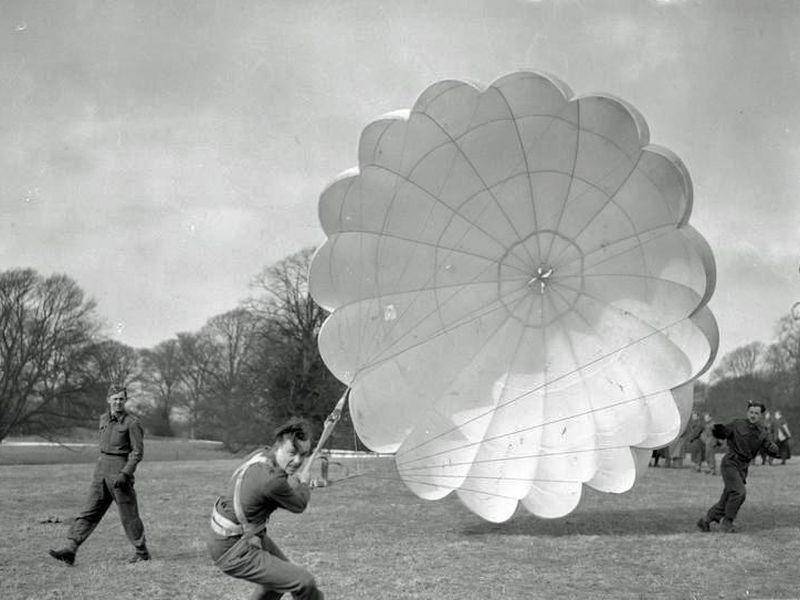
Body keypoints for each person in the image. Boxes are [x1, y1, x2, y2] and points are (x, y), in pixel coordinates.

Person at [207, 417, 324, 600]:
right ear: (279, 445)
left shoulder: (261, 455)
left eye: (304, 454)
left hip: (236, 536)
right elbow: (299, 504)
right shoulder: (272, 481)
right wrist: (304, 483)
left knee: (278, 583)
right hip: (233, 547)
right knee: (303, 582)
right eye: (292, 452)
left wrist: (296, 483)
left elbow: (278, 484)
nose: (298, 460)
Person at [49, 384, 150, 565]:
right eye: (115, 398)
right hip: (101, 470)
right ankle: (71, 549)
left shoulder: (132, 423)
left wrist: (125, 473)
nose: (118, 402)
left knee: (129, 515)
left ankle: (142, 552)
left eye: (121, 398)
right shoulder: (103, 419)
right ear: (108, 400)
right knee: (88, 511)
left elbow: (137, 453)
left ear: (125, 400)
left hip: (120, 472)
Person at [696, 403, 779, 533]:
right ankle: (727, 523)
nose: (753, 415)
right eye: (751, 412)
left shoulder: (763, 432)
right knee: (739, 493)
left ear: (760, 415)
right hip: (731, 463)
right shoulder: (737, 424)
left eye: (756, 413)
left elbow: (767, 446)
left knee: (728, 497)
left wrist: (773, 449)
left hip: (743, 467)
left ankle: (706, 520)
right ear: (747, 412)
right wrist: (719, 430)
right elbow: (724, 432)